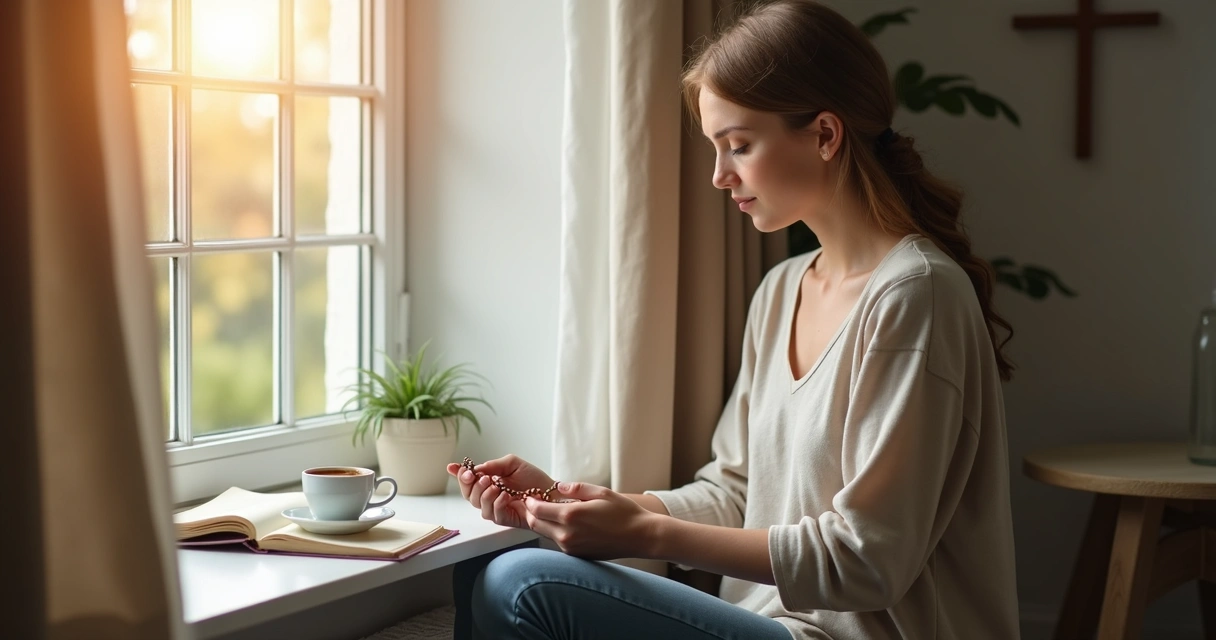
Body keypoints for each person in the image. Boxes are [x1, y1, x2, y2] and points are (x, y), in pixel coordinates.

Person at [444, 1, 1021, 638]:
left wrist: (643, 533)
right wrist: (557, 498)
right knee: (484, 572)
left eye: (739, 146)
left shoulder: (915, 296)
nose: (720, 176)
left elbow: (868, 560)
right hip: (770, 626)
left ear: (825, 135)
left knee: (523, 583)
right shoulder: (780, 291)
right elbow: (736, 494)